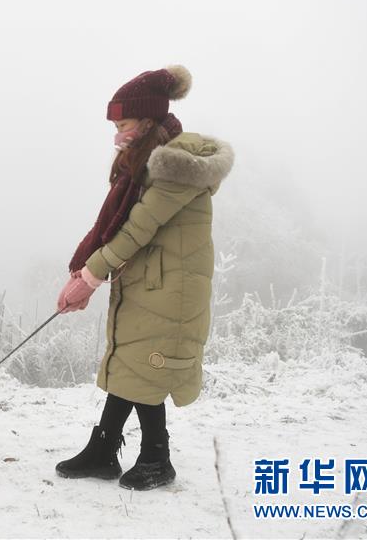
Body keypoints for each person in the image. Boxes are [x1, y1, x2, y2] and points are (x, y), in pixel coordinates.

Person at [54, 65, 234, 490]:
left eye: (124, 124)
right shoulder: (144, 165)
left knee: (146, 369)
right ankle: (104, 449)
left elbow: (137, 227)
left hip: (171, 287)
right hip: (150, 279)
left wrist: (91, 276)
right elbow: (121, 226)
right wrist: (88, 272)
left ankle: (157, 457)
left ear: (147, 119)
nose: (118, 134)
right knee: (133, 364)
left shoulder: (177, 166)